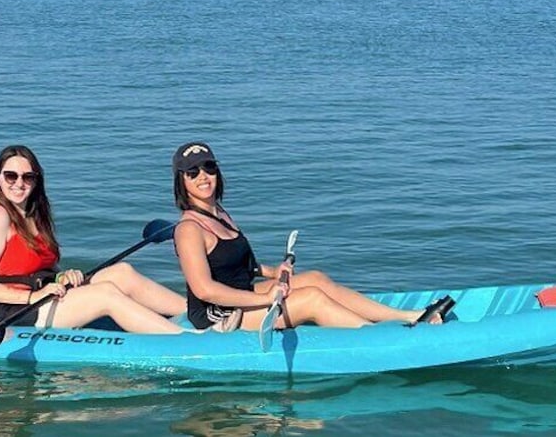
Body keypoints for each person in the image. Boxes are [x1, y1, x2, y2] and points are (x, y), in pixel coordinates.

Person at [171, 141, 446, 332]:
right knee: (312, 298)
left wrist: (272, 272)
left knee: (315, 278)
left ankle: (408, 316)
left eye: (208, 167)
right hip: (218, 315)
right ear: (181, 181)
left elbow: (241, 267)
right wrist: (266, 299)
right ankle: (379, 336)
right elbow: (205, 289)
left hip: (242, 293)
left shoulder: (219, 213)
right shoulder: (189, 230)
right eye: (192, 172)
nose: (203, 176)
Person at [0, 145, 187, 334]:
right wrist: (33, 297)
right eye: (11, 176)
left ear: (36, 181)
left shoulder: (35, 216)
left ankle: (198, 313)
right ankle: (186, 340)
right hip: (5, 307)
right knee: (105, 294)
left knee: (122, 273)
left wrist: (62, 276)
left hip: (41, 294)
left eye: (28, 177)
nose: (19, 183)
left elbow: (43, 267)